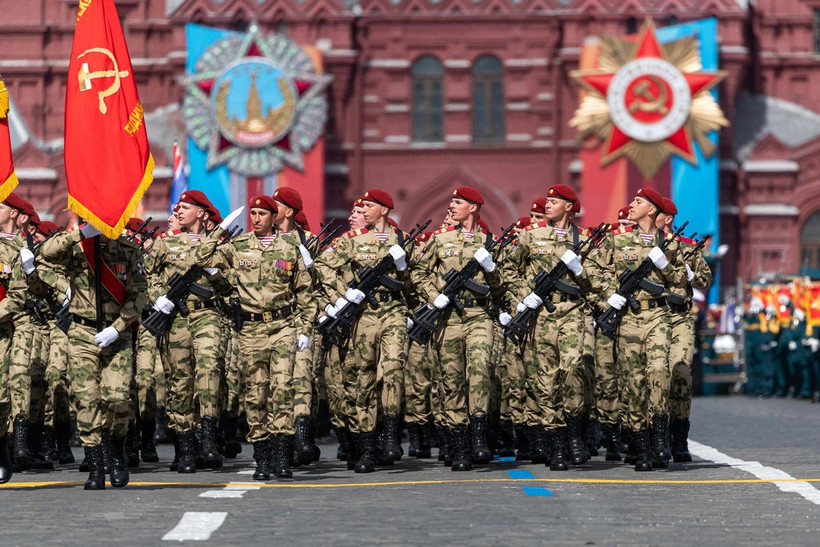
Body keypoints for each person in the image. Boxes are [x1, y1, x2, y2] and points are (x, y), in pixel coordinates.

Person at [196, 196, 314, 480]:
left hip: (283, 326)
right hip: (250, 331)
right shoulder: (236, 247)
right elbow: (200, 257)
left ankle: (282, 457)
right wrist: (219, 230)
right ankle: (262, 459)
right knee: (256, 395)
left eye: (262, 213)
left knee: (283, 389)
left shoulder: (290, 248)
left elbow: (305, 294)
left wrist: (305, 330)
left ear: (274, 217)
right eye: (253, 213)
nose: (256, 218)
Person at [40, 221, 148, 489]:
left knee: (118, 397)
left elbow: (140, 292)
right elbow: (47, 252)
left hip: (116, 334)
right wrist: (81, 234)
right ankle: (97, 465)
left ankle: (117, 452)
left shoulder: (128, 249)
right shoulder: (78, 247)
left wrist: (119, 327)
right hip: (81, 333)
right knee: (86, 399)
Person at [501, 184, 599, 470]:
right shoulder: (532, 236)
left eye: (555, 201)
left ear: (569, 206)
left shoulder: (584, 239)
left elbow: (599, 279)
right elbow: (509, 269)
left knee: (573, 370)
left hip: (573, 311)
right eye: (547, 200)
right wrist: (524, 294)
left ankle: (575, 435)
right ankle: (557, 445)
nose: (548, 204)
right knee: (546, 382)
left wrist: (581, 271)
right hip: (541, 315)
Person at [315, 189, 409, 473]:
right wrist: (344, 295)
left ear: (384, 209)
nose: (364, 209)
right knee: (363, 381)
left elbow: (416, 279)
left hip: (393, 311)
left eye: (370, 205)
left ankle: (391, 434)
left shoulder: (403, 240)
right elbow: (322, 266)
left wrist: (404, 266)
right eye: (363, 205)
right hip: (363, 316)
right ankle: (367, 447)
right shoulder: (351, 240)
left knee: (392, 367)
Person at [411, 187, 500, 471]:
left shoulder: (491, 242)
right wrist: (432, 294)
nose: (451, 206)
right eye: (451, 201)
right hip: (448, 318)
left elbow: (501, 288)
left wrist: (492, 269)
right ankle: (459, 446)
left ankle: (478, 438)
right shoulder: (439, 239)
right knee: (451, 380)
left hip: (478, 314)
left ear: (473, 208)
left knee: (480, 371)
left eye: (458, 202)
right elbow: (418, 272)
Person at [599, 188, 685, 471]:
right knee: (633, 383)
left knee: (659, 371)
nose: (631, 205)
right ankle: (641, 446)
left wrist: (667, 268)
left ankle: (660, 440)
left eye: (638, 202)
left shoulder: (669, 244)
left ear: (652, 210)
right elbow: (594, 272)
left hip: (658, 315)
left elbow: (682, 284)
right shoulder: (617, 240)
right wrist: (608, 295)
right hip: (628, 320)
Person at [147, 190, 234, 472]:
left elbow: (230, 285)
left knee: (209, 369)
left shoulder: (219, 247)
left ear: (202, 213)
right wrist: (157, 296)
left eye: (185, 207)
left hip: (207, 313)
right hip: (174, 319)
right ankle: (186, 447)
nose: (178, 210)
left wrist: (215, 274)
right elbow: (146, 274)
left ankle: (208, 438)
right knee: (179, 382)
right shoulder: (165, 243)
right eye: (178, 207)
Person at [656, 197, 712, 464]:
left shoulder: (687, 247)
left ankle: (679, 439)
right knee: (654, 378)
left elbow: (705, 280)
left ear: (667, 218)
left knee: (680, 375)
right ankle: (654, 438)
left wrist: (689, 274)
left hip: (679, 319)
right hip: (648, 317)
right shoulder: (638, 245)